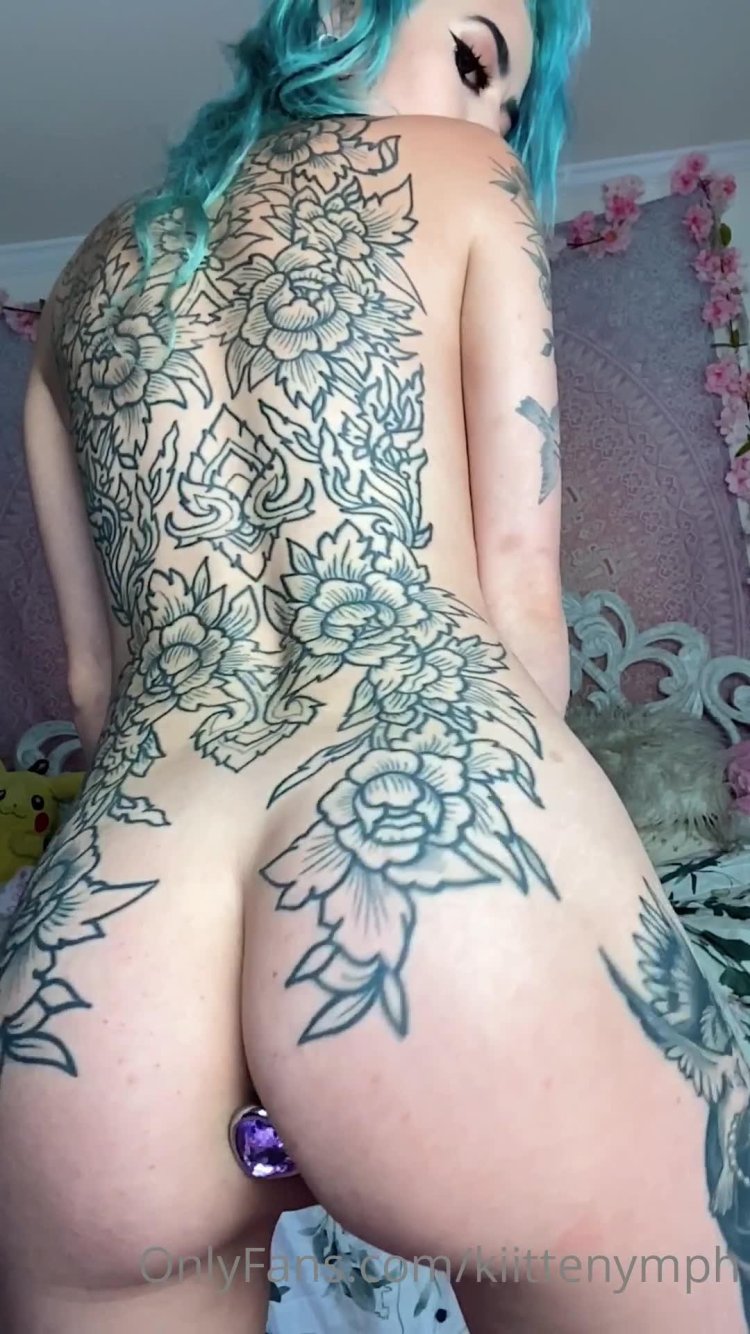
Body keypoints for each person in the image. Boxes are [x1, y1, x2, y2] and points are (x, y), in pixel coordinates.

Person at [2, 1, 749, 1331]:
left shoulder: (84, 285)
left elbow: (94, 692)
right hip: (430, 847)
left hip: (105, 942)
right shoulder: (462, 177)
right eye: (474, 60)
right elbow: (520, 603)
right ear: (342, 11)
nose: (488, 118)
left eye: (503, 103)